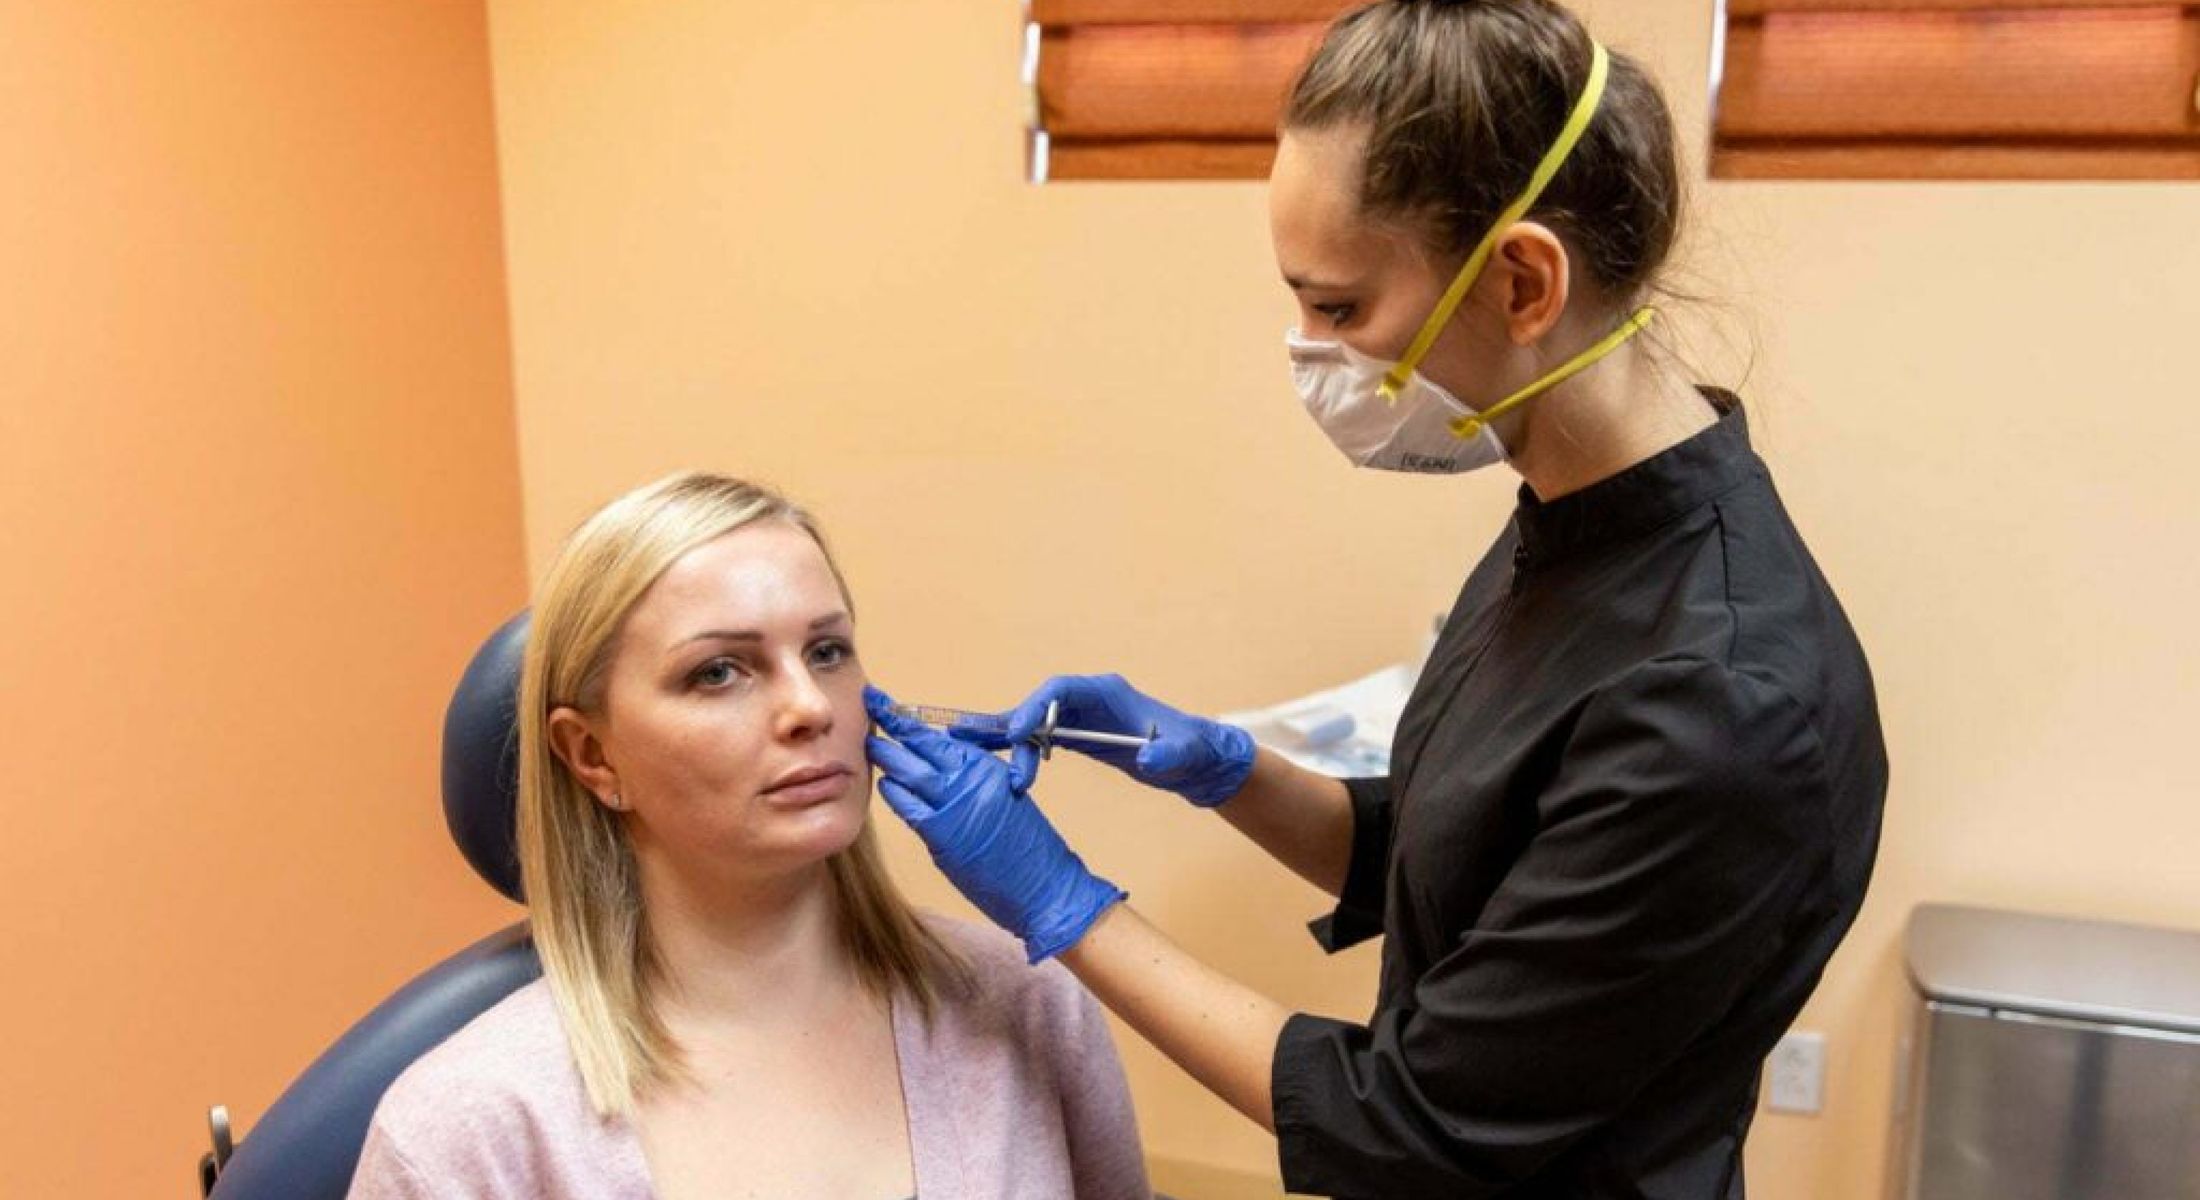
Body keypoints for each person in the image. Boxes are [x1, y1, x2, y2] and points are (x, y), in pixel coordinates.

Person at [865, 2, 1887, 1196]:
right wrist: (1227, 772)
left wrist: (1060, 902)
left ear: (1520, 281)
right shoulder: (1576, 523)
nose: (1308, 351)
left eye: (1340, 308)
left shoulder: (1717, 696)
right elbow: (1465, 849)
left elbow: (1406, 1127)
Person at [350, 471, 1149, 1200]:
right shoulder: (465, 1132)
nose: (812, 706)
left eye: (827, 651)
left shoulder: (1031, 1007)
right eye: (718, 671)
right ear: (593, 755)